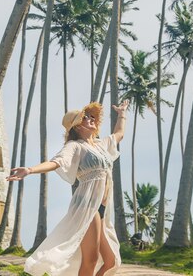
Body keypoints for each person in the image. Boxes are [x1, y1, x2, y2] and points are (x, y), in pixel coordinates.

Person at [7, 100, 129, 276]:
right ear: (77, 126)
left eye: (90, 116)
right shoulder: (74, 146)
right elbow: (56, 162)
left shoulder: (101, 145)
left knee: (110, 261)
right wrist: (30, 170)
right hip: (87, 205)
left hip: (102, 208)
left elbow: (119, 133)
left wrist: (122, 113)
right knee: (91, 259)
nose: (91, 118)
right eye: (85, 118)